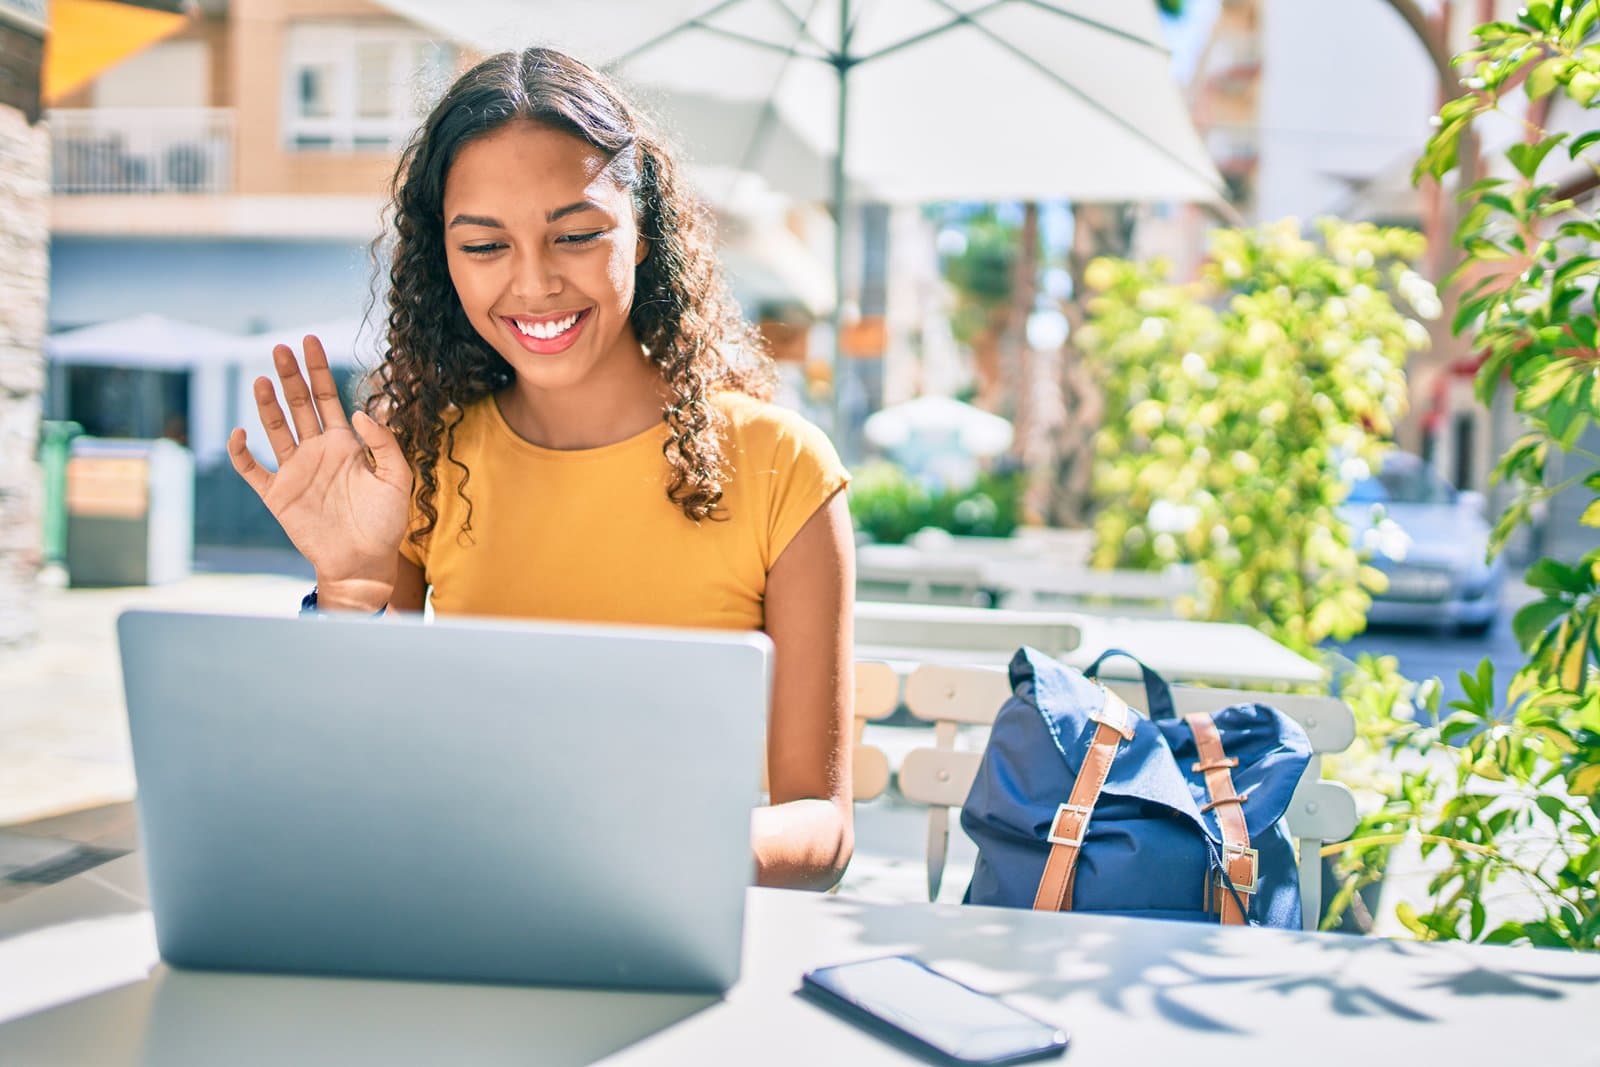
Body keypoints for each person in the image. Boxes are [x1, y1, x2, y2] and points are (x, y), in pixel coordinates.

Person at [226, 48, 855, 891]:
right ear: (443, 262)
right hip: (473, 907)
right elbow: (352, 781)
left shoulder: (783, 468)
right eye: (485, 244)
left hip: (677, 916)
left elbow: (822, 824)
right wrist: (348, 584)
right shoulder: (423, 463)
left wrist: (661, 846)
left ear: (643, 229)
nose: (534, 282)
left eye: (577, 234)